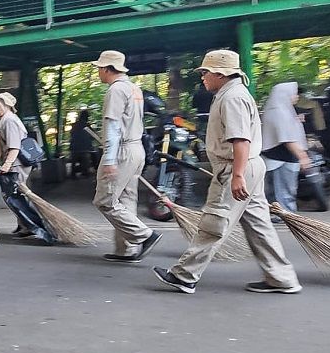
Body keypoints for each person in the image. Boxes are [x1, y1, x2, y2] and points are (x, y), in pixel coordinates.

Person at [153, 50, 301, 294]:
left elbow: (240, 140)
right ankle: (282, 278)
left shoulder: (232, 97)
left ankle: (185, 276)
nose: (202, 77)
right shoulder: (232, 94)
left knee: (214, 221)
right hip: (247, 165)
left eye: (205, 72)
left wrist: (237, 175)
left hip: (237, 166)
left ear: (220, 73)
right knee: (259, 225)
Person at [91, 50, 163, 263]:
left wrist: (110, 160)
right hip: (136, 148)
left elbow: (113, 126)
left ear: (107, 69)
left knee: (105, 200)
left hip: (121, 150)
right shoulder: (134, 88)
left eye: (99, 68)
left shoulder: (116, 90)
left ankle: (144, 236)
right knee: (126, 198)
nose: (98, 72)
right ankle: (126, 250)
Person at [0, 92, 51, 242]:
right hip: (16, 162)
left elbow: (14, 147)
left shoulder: (9, 121)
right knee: (16, 195)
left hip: (16, 163)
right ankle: (24, 225)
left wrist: (7, 164)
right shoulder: (7, 120)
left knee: (16, 196)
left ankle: (35, 226)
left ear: (7, 106)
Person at [261, 82, 310, 215]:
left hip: (277, 157)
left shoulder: (278, 109)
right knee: (283, 192)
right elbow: (287, 138)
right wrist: (303, 157)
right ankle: (284, 216)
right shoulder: (279, 112)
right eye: (294, 93)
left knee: (280, 191)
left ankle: (282, 215)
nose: (296, 96)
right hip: (282, 158)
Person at [69, 110, 96, 179]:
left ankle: (73, 174)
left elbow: (71, 134)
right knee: (86, 159)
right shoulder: (87, 125)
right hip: (84, 147)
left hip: (74, 146)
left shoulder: (75, 124)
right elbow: (93, 136)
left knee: (74, 161)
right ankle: (85, 172)